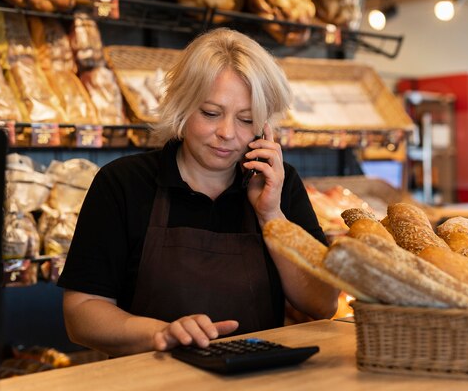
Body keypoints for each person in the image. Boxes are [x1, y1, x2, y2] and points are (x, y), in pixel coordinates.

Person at [57, 28, 339, 357]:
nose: (227, 133)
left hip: (255, 380)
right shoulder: (123, 183)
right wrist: (160, 333)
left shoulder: (280, 183)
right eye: (210, 113)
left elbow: (323, 303)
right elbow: (81, 313)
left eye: (246, 119)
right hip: (149, 379)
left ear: (265, 126)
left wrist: (271, 216)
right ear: (182, 105)